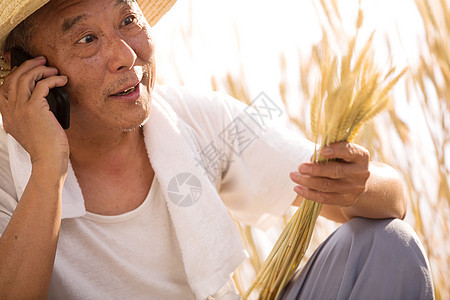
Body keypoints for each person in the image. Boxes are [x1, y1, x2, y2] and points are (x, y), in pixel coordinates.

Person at [0, 0, 434, 299]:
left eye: (128, 19)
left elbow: (391, 200)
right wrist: (46, 166)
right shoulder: (9, 169)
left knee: (388, 244)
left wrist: (354, 180)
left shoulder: (197, 120)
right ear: (30, 73)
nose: (125, 54)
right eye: (86, 40)